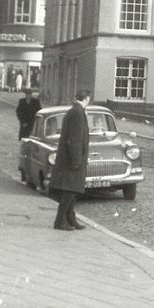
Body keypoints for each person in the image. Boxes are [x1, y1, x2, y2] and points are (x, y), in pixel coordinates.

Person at [48, 89, 91, 231]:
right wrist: (76, 160)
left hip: (71, 159)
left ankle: (70, 218)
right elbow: (75, 139)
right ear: (87, 98)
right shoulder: (78, 113)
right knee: (69, 191)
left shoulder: (75, 111)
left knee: (72, 190)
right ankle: (60, 221)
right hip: (72, 160)